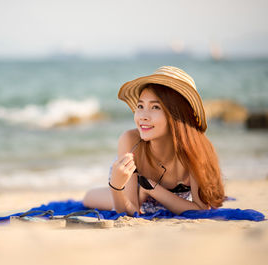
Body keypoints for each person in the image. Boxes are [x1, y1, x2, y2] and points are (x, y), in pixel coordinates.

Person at [83, 66, 225, 216]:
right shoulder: (131, 140)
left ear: (177, 114)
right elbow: (129, 210)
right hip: (128, 187)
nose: (143, 116)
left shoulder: (195, 148)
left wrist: (152, 189)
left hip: (159, 194)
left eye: (155, 107)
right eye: (140, 106)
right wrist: (116, 187)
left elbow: (201, 209)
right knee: (88, 198)